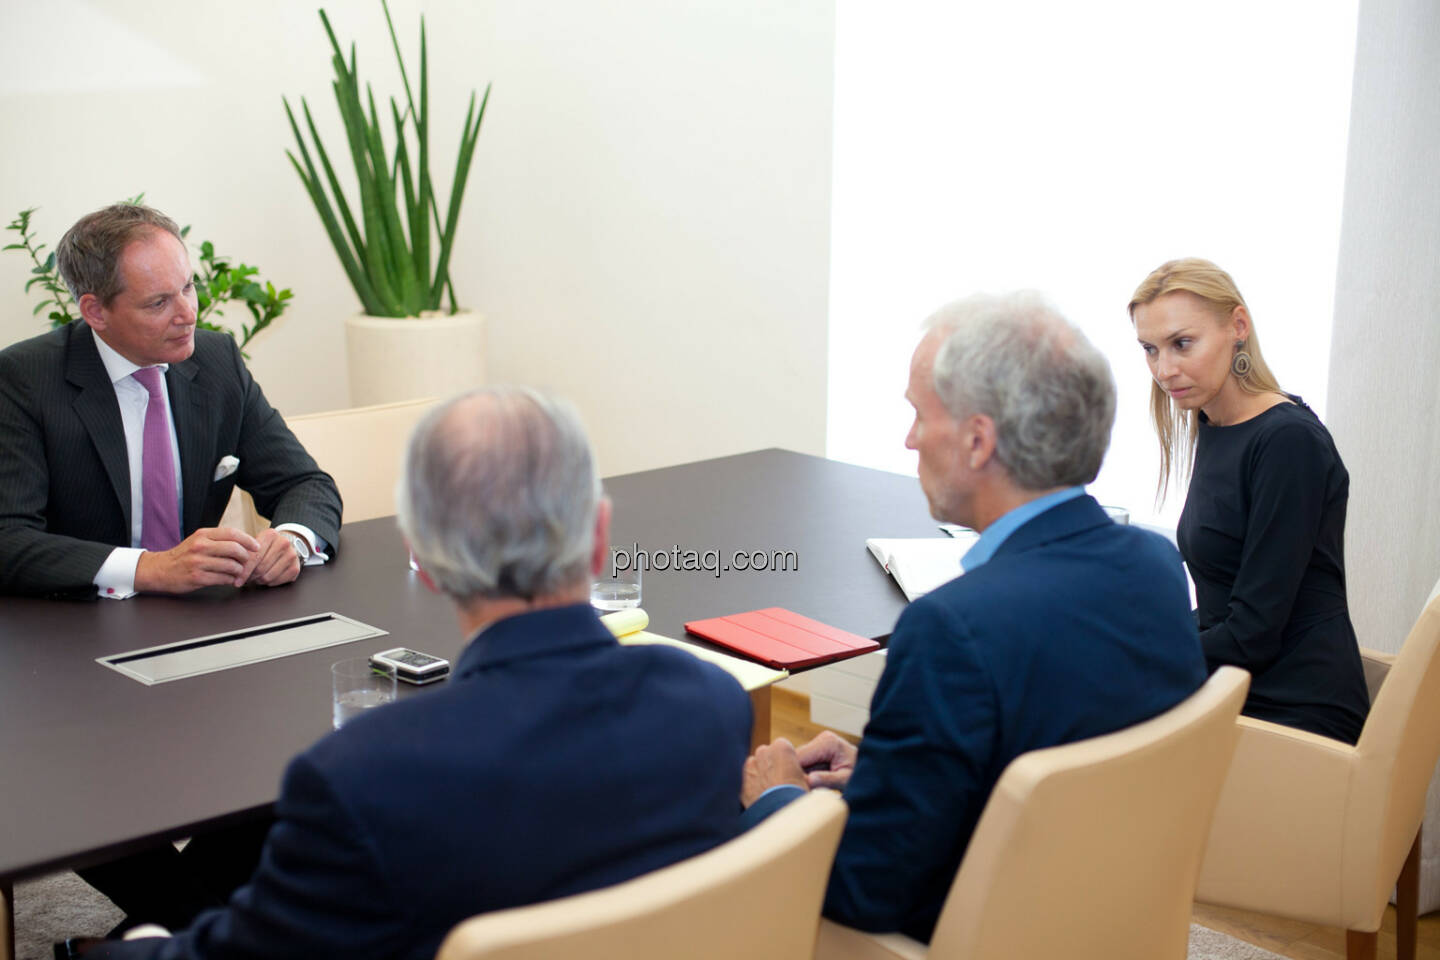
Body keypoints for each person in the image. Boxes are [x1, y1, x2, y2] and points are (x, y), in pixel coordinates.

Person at [83, 386, 753, 959]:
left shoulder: (363, 777)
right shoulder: (713, 704)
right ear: (600, 536)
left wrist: (134, 943)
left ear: (421, 556)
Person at [739, 292, 1207, 942]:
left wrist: (779, 800)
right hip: (1098, 916)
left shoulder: (952, 629)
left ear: (978, 440)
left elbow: (864, 891)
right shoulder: (1156, 567)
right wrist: (887, 773)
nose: (908, 438)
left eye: (917, 415)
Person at [0, 203, 341, 599]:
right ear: (96, 311)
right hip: (73, 626)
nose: (188, 314)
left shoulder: (217, 361)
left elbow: (304, 483)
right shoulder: (24, 379)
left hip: (201, 616)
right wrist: (147, 568)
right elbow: (8, 538)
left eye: (188, 287)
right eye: (158, 303)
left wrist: (291, 540)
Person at [1129, 257, 1369, 743]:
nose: (1164, 369)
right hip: (1237, 689)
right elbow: (1222, 607)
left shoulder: (1286, 442)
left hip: (1295, 713)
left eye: (1182, 344)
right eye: (1150, 350)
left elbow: (1253, 633)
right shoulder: (1213, 424)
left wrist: (1146, 652)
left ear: (1238, 326)